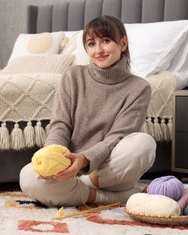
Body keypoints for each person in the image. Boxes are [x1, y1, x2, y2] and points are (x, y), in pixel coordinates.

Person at [19, 15, 156, 206]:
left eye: (106, 41)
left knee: (144, 144)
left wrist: (84, 161)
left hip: (106, 168)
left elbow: (117, 137)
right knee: (27, 176)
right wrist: (55, 157)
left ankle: (83, 186)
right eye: (91, 44)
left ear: (122, 43)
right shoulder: (72, 76)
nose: (98, 50)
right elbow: (60, 124)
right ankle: (114, 197)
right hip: (68, 168)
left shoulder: (139, 88)